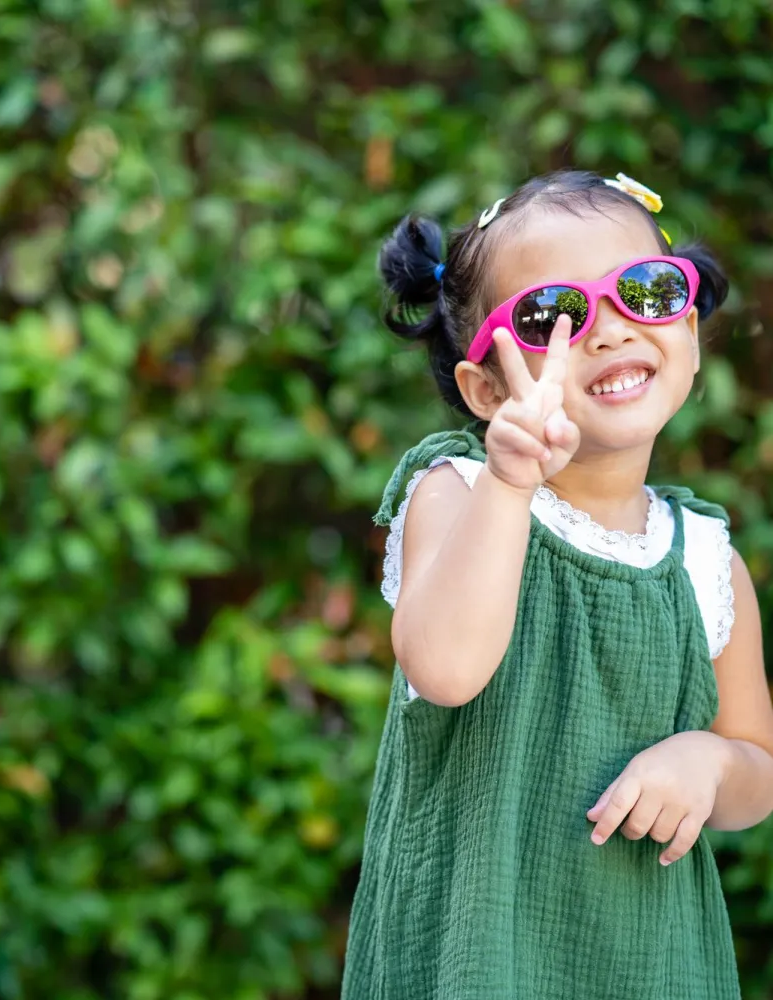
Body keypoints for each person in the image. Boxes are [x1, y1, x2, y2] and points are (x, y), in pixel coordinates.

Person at [341, 170, 773, 999]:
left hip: (653, 963)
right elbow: (446, 666)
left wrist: (711, 762)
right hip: (475, 955)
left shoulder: (705, 558)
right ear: (486, 388)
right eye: (553, 318)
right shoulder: (459, 492)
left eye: (644, 291)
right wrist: (509, 482)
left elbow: (756, 767)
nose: (607, 331)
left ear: (688, 326)